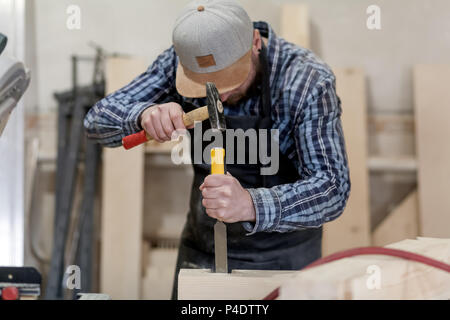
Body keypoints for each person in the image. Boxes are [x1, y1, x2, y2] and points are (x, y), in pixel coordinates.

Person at [84, 0, 350, 299]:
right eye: (204, 84)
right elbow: (96, 122)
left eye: (230, 79)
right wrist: (142, 115)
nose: (219, 94)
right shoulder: (180, 62)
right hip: (202, 250)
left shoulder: (305, 81)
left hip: (284, 259)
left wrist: (251, 204)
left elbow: (332, 188)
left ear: (254, 42)